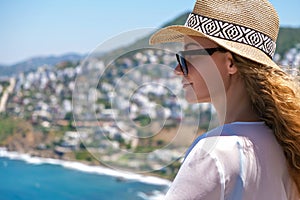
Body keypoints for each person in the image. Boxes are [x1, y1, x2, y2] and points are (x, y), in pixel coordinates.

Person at [149, 0, 300, 199]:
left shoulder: (213, 152)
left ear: (230, 63)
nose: (178, 70)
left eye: (188, 57)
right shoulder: (284, 147)